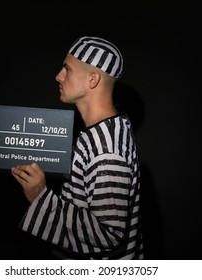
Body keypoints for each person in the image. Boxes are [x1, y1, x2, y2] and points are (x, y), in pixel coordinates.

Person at [11, 36, 144, 259]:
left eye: (67, 69)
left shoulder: (106, 149)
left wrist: (40, 197)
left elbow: (109, 234)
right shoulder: (103, 133)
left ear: (93, 79)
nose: (58, 76)